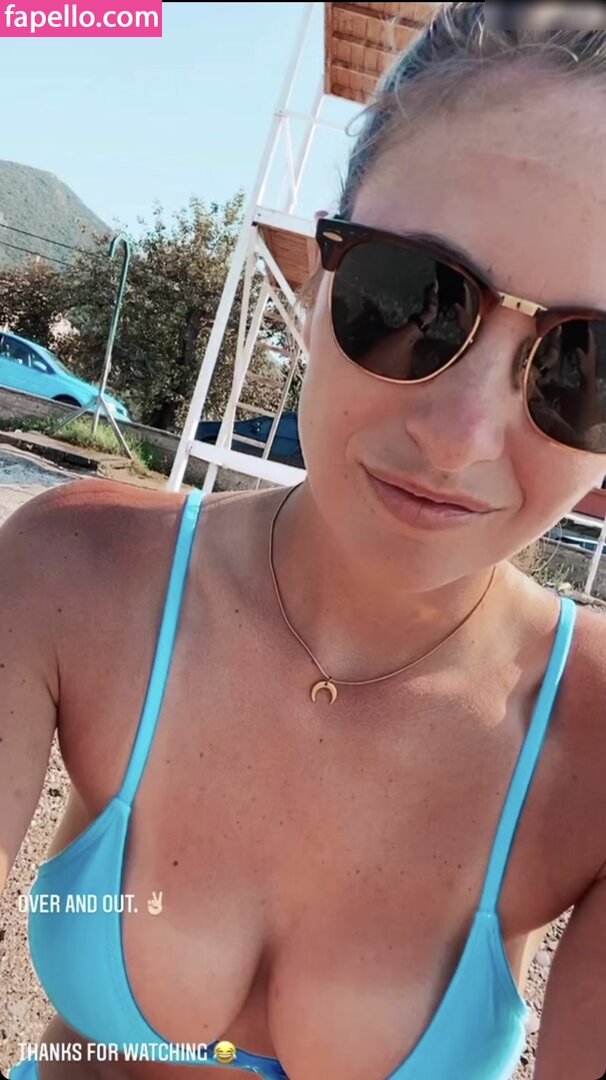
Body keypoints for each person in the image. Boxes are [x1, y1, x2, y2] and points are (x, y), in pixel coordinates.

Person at [2, 3, 606, 1079]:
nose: (460, 437)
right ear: (324, 269)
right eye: (415, 299)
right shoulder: (76, 579)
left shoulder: (592, 742)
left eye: (587, 366)